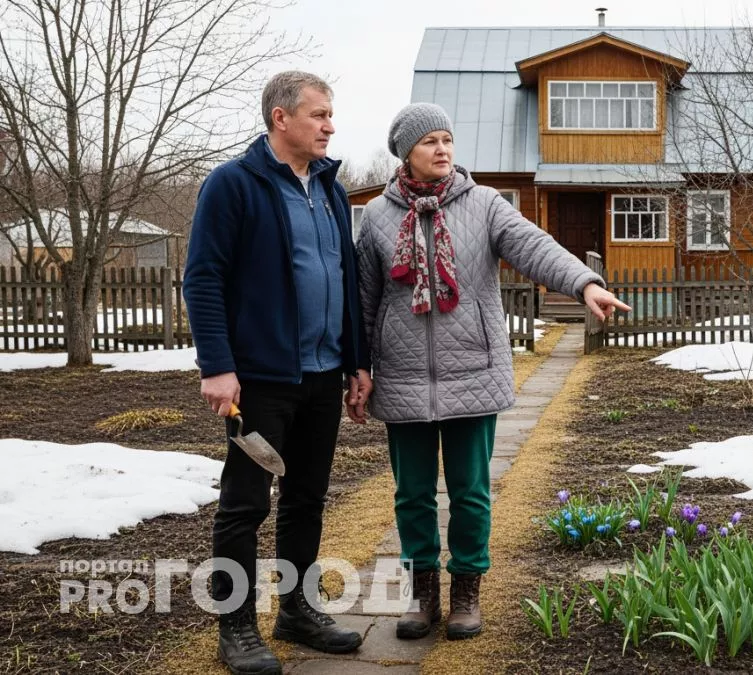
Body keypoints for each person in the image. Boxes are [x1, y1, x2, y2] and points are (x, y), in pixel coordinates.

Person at [354, 102, 629, 641]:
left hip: (472, 371)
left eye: (447, 139)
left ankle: (466, 593)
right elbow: (366, 299)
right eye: (430, 140)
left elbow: (534, 247)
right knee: (411, 494)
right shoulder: (380, 218)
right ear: (405, 152)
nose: (442, 149)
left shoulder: (483, 204)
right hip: (403, 376)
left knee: (470, 491)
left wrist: (584, 284)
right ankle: (422, 594)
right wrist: (358, 369)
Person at [183, 71, 373, 675]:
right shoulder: (232, 185)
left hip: (322, 374)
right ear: (280, 119)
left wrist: (355, 362)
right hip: (261, 379)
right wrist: (217, 366)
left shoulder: (331, 189)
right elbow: (203, 278)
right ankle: (236, 626)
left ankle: (297, 609)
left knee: (307, 497)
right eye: (318, 115)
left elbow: (344, 279)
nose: (330, 126)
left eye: (330, 114)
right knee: (245, 504)